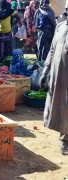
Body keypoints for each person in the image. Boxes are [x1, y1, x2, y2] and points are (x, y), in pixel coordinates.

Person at [39, 21, 68, 155]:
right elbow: (52, 49)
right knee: (62, 106)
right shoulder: (60, 26)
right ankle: (64, 138)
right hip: (59, 75)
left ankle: (65, 138)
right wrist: (45, 71)